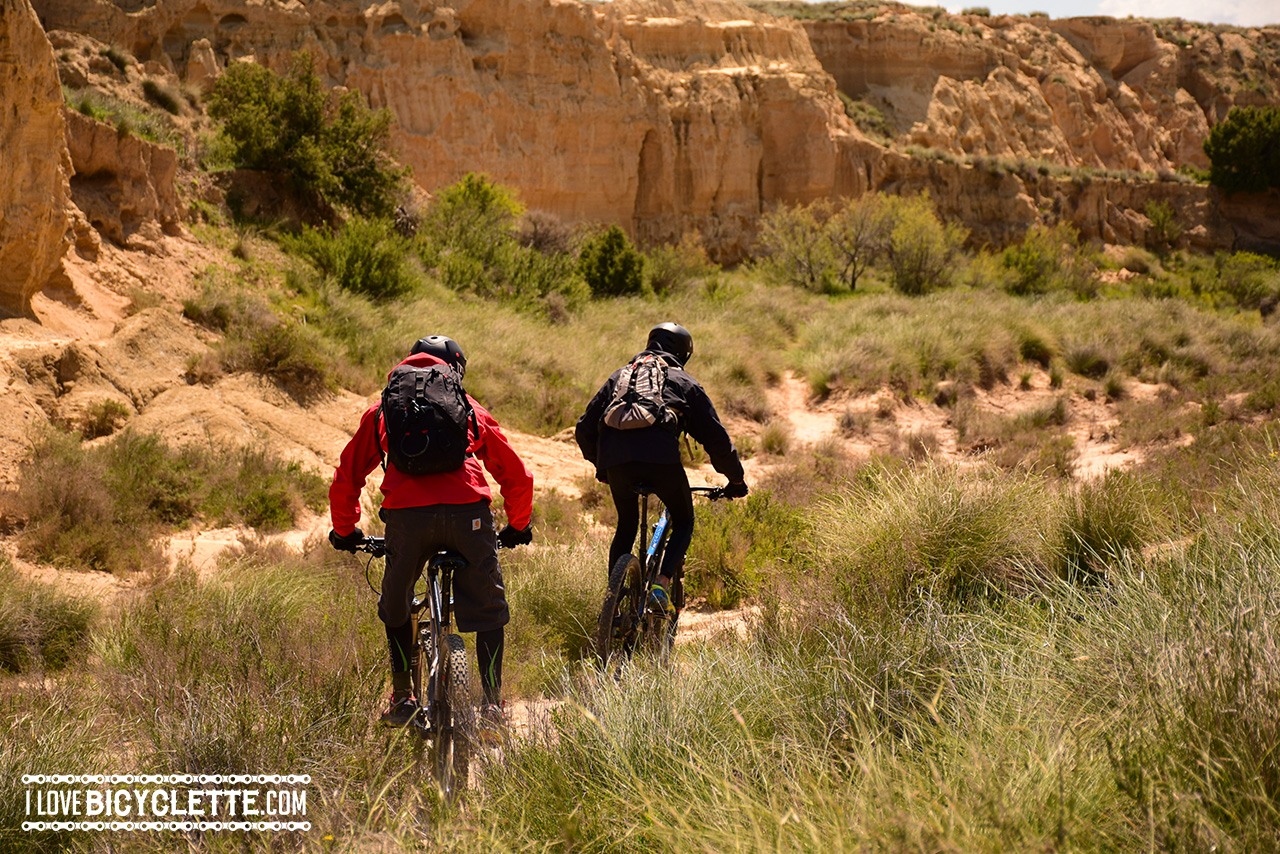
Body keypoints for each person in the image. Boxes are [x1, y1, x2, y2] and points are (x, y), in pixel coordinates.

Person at [328, 335, 533, 730]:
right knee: (489, 609)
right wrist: (518, 525)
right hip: (468, 514)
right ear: (454, 369)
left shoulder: (384, 409)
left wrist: (346, 531)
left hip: (408, 518)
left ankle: (404, 697)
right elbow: (516, 473)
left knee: (397, 605)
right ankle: (492, 707)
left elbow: (347, 475)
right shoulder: (469, 408)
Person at [575, 322, 747, 616]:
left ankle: (612, 602)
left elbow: (583, 428)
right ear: (683, 353)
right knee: (683, 520)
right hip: (661, 463)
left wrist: (602, 466)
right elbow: (716, 439)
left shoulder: (619, 377)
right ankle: (661, 584)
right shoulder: (684, 383)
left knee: (627, 524)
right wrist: (735, 480)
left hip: (617, 463)